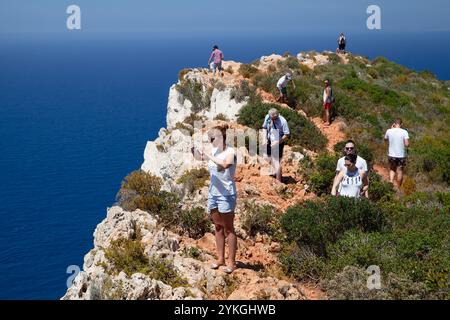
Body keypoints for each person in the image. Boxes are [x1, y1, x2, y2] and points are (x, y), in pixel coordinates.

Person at [192, 124, 237, 274]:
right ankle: (220, 259)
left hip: (226, 194)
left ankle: (231, 262)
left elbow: (224, 165)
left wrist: (210, 155)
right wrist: (194, 152)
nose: (210, 140)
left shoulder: (231, 152)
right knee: (218, 226)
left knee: (228, 228)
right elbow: (202, 158)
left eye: (213, 138)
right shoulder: (215, 151)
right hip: (213, 193)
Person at [262, 108, 290, 182]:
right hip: (269, 140)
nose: (273, 120)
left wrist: (277, 142)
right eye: (272, 118)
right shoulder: (267, 117)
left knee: (276, 160)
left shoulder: (283, 121)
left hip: (279, 142)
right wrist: (264, 138)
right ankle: (277, 171)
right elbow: (264, 127)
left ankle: (278, 180)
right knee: (267, 157)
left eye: (275, 119)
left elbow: (286, 134)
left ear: (277, 116)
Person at [384, 118, 410, 188]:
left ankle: (391, 183)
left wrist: (391, 129)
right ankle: (398, 187)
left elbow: (385, 140)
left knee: (392, 169)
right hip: (401, 155)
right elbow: (407, 144)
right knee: (400, 170)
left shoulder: (389, 131)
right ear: (401, 124)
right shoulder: (404, 132)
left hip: (391, 154)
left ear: (394, 124)